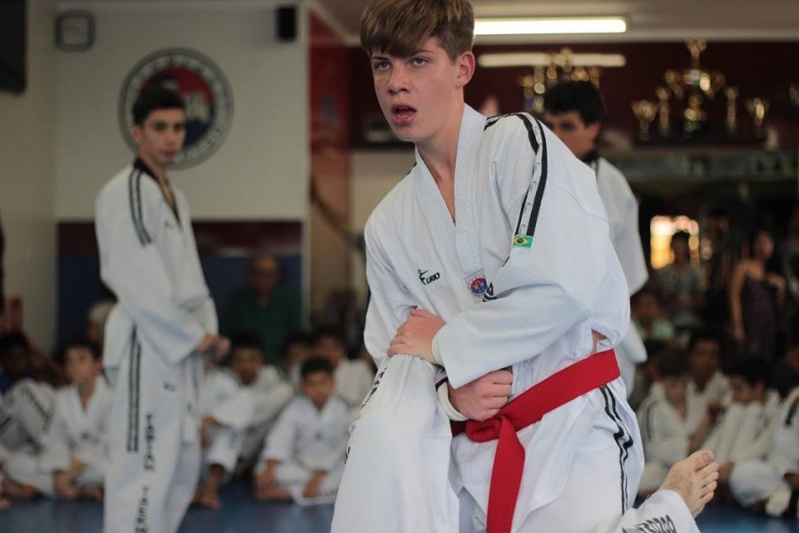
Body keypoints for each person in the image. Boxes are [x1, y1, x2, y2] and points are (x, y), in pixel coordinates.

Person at [333, 2, 714, 532]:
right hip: (471, 444)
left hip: (571, 420)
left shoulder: (519, 145)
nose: (396, 83)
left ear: (462, 68)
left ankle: (669, 509)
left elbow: (559, 291)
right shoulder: (388, 224)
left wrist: (446, 344)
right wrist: (448, 394)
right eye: (382, 65)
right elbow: (395, 358)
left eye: (417, 62)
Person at [95, 86, 228, 533]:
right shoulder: (127, 191)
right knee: (143, 465)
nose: (171, 137)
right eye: (160, 128)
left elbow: (188, 278)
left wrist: (207, 334)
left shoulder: (173, 193)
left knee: (181, 463)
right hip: (145, 348)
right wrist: (194, 336)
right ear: (137, 132)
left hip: (179, 349)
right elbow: (136, 281)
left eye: (177, 128)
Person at [543, 79, 650, 396]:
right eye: (550, 126)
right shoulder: (538, 176)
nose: (557, 136)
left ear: (593, 129)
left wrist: (599, 311)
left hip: (598, 323)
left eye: (568, 126)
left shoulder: (611, 184)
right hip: (549, 323)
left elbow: (626, 265)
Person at [196, 334, 292, 508]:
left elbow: (259, 409)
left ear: (261, 360)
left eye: (252, 360)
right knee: (235, 421)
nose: (246, 366)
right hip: (207, 451)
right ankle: (205, 489)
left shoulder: (274, 381)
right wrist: (201, 426)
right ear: (232, 362)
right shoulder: (221, 380)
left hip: (246, 454)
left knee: (242, 410)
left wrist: (223, 416)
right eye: (240, 360)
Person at [253, 356, 353, 504]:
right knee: (262, 469)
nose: (318, 389)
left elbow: (341, 447)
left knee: (349, 476)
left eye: (323, 383)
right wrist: (270, 469)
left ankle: (289, 493)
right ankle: (309, 491)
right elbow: (280, 437)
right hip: (300, 466)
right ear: (302, 386)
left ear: (333, 384)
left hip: (329, 468)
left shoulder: (343, 409)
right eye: (312, 384)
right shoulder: (295, 408)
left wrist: (319, 475)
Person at [38, 338, 113, 500]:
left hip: (98, 464)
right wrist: (60, 473)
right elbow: (55, 441)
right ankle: (82, 491)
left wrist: (73, 471)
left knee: (114, 472)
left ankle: (73, 489)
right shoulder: (61, 398)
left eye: (81, 360)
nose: (74, 367)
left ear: (97, 365)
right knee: (21, 465)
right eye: (70, 362)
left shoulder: (111, 398)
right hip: (69, 463)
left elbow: (108, 444)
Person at [637, 348, 713, 496]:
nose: (679, 390)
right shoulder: (651, 407)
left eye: (684, 384)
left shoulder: (699, 403)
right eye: (673, 385)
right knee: (641, 479)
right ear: (661, 381)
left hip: (693, 467)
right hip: (660, 467)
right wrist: (690, 445)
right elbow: (653, 449)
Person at [701, 359, 780, 485]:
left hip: (750, 468)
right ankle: (716, 475)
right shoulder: (735, 405)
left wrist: (734, 462)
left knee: (754, 410)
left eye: (738, 388)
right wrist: (702, 461)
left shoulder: (777, 411)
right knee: (736, 410)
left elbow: (764, 445)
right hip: (722, 468)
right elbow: (717, 437)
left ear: (759, 387)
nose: (734, 395)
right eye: (732, 389)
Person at [728, 385, 799, 519]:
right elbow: (784, 449)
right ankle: (788, 503)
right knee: (743, 475)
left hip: (791, 493)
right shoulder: (797, 397)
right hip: (792, 478)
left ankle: (781, 503)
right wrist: (791, 476)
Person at [220, 255, 302, 365]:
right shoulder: (236, 300)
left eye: (269, 275)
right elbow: (225, 337)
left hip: (280, 365)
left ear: (277, 277)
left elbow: (296, 339)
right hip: (242, 366)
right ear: (250, 275)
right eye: (259, 274)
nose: (263, 279)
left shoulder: (289, 301)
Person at [729, 227, 785, 363]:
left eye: (767, 243)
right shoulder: (743, 267)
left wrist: (780, 288)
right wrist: (737, 325)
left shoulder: (776, 272)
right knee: (747, 360)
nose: (763, 247)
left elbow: (779, 306)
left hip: (768, 324)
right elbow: (734, 297)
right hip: (748, 321)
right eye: (759, 242)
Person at [654, 231, 706, 339]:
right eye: (675, 246)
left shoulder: (696, 271)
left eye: (681, 246)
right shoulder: (663, 272)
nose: (678, 250)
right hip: (666, 321)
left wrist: (686, 302)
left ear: (687, 247)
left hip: (690, 320)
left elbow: (702, 298)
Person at [311, 327, 373, 408]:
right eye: (324, 347)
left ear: (343, 349)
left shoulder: (359, 369)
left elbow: (372, 401)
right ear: (314, 350)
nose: (329, 352)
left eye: (333, 347)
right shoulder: (307, 372)